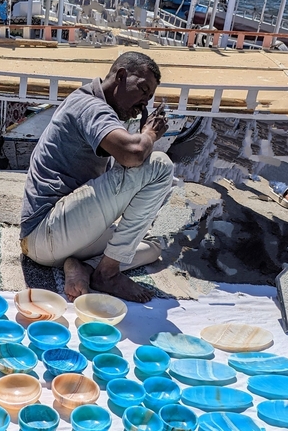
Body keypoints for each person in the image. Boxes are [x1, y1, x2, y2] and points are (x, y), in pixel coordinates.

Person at [20, 51, 174, 303]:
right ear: (122, 76)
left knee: (153, 246)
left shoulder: (97, 107)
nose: (143, 105)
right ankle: (108, 272)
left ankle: (83, 267)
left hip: (63, 238)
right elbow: (133, 154)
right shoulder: (91, 106)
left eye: (148, 99)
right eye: (142, 90)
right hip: (45, 231)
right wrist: (149, 135)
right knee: (159, 165)